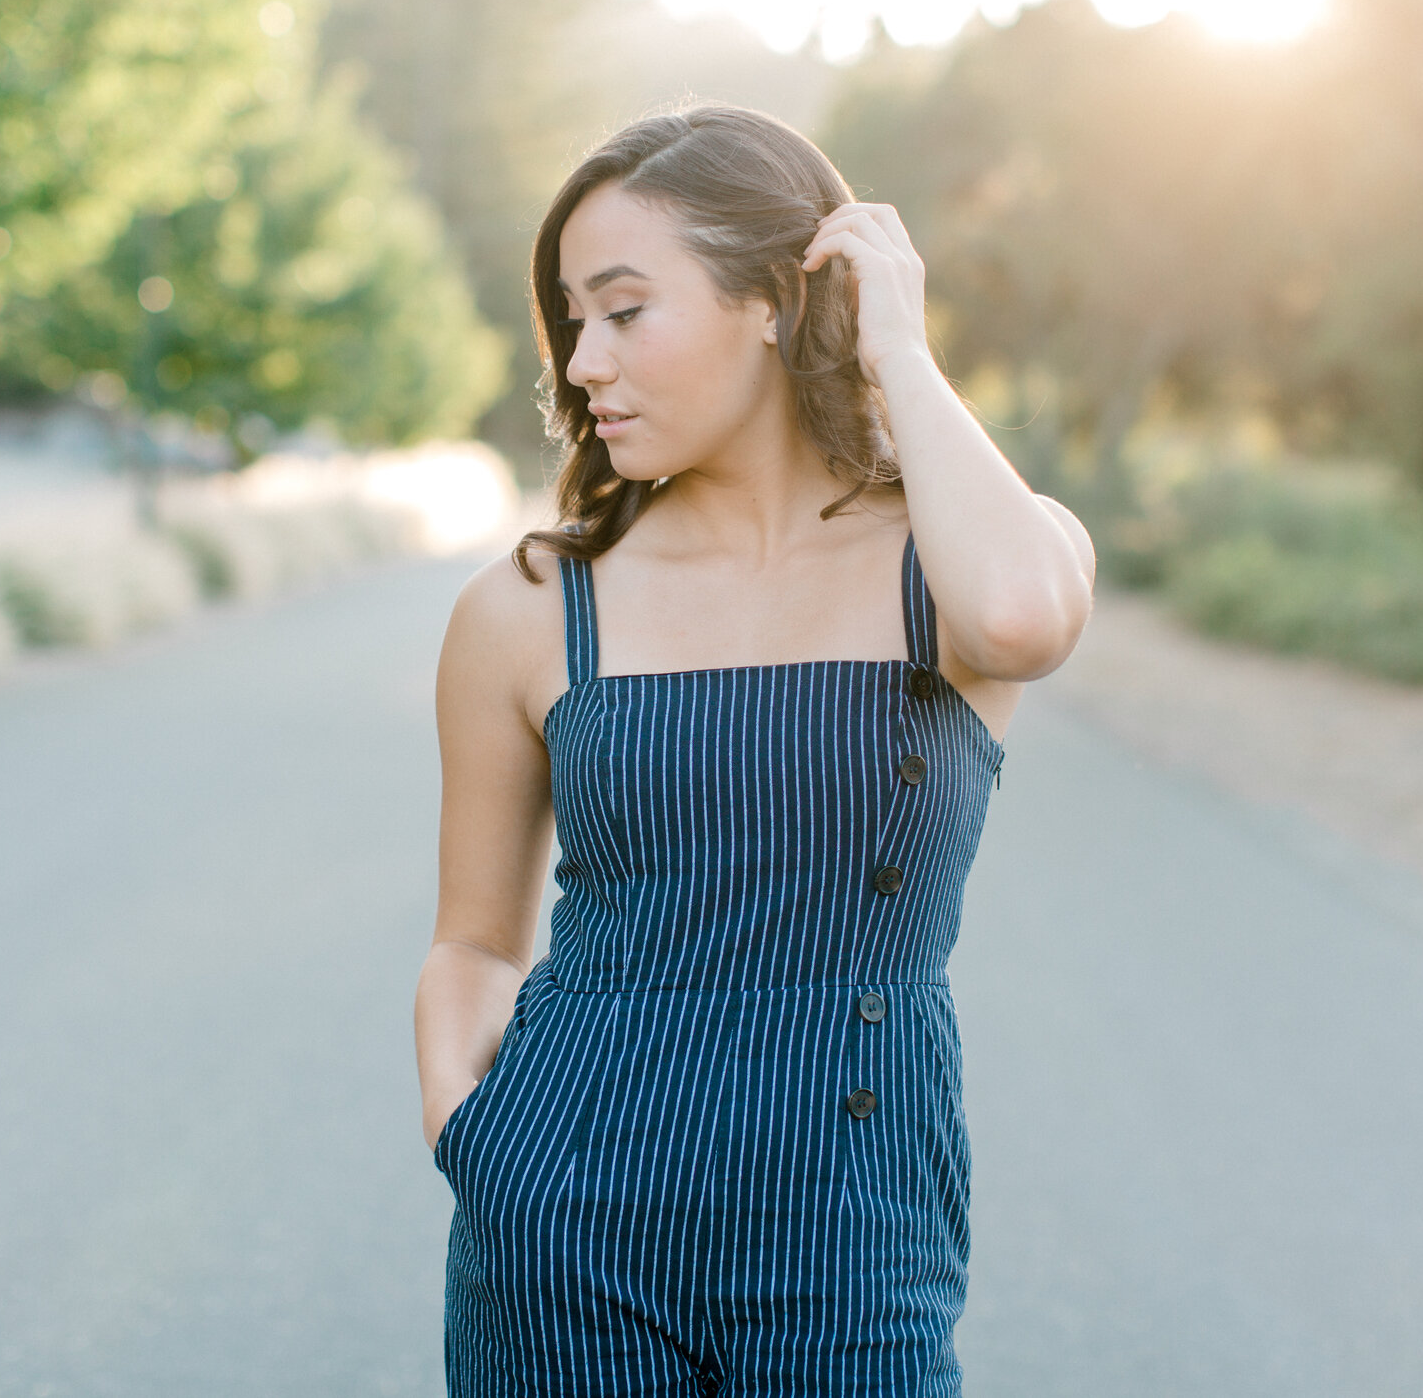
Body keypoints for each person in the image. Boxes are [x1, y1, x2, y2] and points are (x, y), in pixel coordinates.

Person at [416, 104, 1095, 1395]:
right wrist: (471, 1135)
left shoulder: (954, 566)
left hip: (854, 1228)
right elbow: (474, 939)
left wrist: (894, 339)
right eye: (571, 321)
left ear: (776, 300)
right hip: (559, 1212)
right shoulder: (528, 605)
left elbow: (1021, 622)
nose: (583, 362)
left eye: (624, 310)